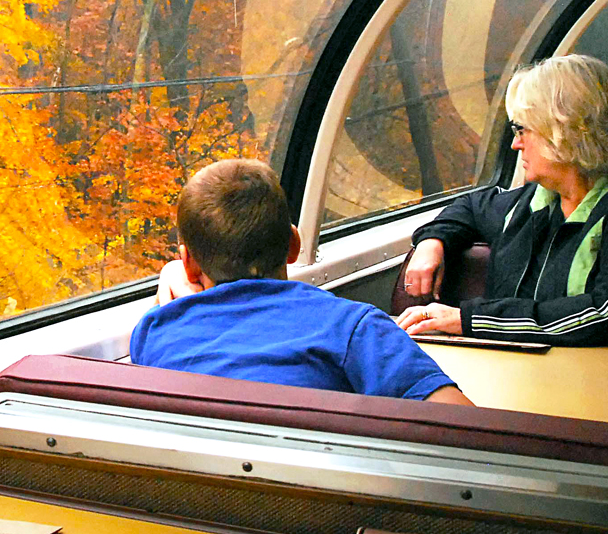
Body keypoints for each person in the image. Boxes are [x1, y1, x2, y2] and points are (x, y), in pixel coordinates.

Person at [131, 159, 473, 405]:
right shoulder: (353, 327)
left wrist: (178, 271)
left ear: (187, 262)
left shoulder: (153, 332)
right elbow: (466, 430)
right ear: (294, 244)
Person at [397, 54, 608, 346]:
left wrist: (471, 319)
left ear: (566, 132)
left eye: (523, 130)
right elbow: (469, 207)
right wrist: (432, 243)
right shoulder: (530, 202)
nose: (515, 143)